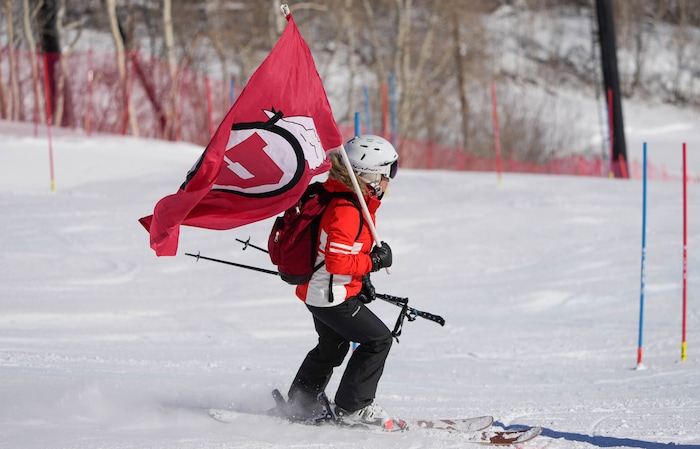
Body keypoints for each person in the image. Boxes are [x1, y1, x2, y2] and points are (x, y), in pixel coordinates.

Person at [286, 134, 406, 431]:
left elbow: (338, 254)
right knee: (378, 340)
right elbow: (338, 262)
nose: (390, 180)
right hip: (331, 295)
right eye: (388, 172)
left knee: (333, 344)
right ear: (370, 175)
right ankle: (354, 407)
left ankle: (301, 402)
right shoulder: (347, 210)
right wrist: (374, 263)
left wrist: (360, 278)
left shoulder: (349, 200)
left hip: (322, 290)